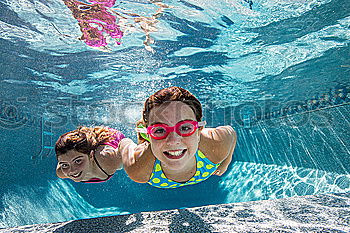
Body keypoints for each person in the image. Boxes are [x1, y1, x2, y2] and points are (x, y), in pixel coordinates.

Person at [119, 87, 237, 188]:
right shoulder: (139, 170)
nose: (173, 141)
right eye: (159, 130)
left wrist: (226, 162)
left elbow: (231, 132)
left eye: (185, 128)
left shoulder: (218, 145)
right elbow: (124, 146)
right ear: (149, 134)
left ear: (199, 131)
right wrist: (121, 143)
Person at [55, 126, 125, 183]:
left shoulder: (108, 159)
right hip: (89, 140)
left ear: (91, 155)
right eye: (65, 165)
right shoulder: (61, 172)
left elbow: (130, 149)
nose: (72, 171)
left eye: (78, 161)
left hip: (111, 136)